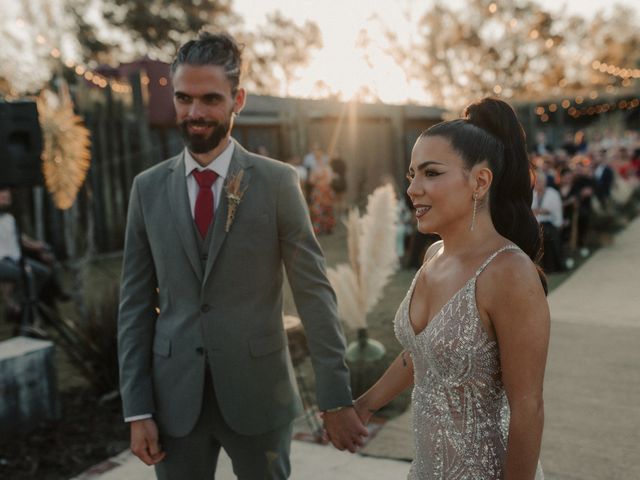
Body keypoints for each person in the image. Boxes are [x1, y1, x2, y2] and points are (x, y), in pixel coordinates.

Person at [117, 31, 367, 480]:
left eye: (210, 99)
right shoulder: (146, 189)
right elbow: (134, 306)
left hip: (260, 394)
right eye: (183, 98)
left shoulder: (277, 183)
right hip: (174, 400)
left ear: (239, 99)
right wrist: (136, 408)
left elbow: (314, 293)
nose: (194, 113)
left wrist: (335, 396)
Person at [352, 98, 549, 479]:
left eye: (431, 173)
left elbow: (528, 408)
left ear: (480, 181)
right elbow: (423, 353)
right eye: (411, 174)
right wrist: (364, 405)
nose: (413, 189)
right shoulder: (434, 256)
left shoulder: (509, 272)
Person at [0, 187, 69, 326]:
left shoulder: (9, 218)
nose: (6, 198)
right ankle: (13, 306)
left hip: (17, 260)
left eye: (7, 196)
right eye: (3, 196)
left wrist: (39, 246)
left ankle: (25, 304)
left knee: (42, 272)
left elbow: (21, 239)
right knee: (20, 275)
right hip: (3, 261)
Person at [533, 170, 566, 272]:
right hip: (535, 224)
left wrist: (540, 211)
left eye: (540, 181)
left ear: (545, 182)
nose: (538, 183)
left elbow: (552, 210)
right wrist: (540, 211)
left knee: (546, 234)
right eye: (536, 181)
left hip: (550, 223)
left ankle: (551, 266)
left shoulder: (552, 193)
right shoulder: (532, 194)